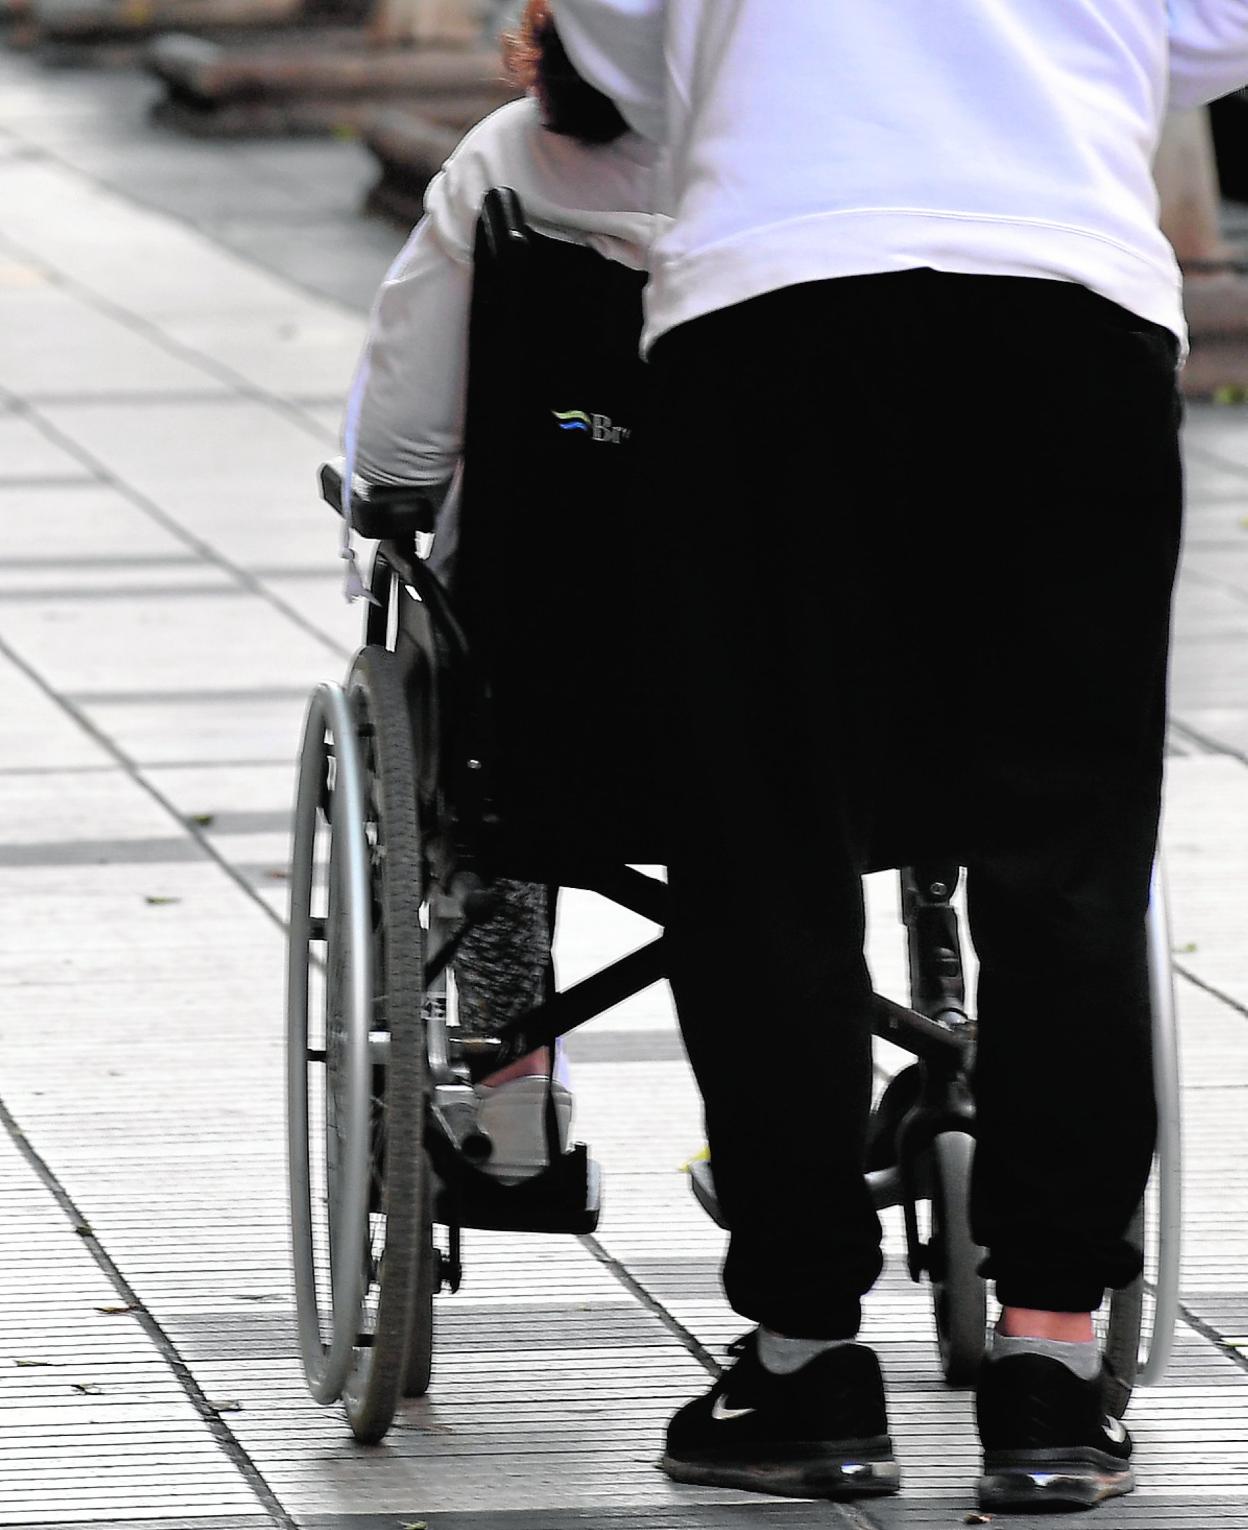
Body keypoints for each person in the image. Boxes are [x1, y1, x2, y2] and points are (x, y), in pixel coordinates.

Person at [551, 0, 1248, 1512]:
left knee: (764, 835)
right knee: (1067, 842)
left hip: (776, 301)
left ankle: (806, 1355)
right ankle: (1052, 1363)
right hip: (1072, 300)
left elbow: (608, 53)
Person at [342, 0, 664, 1183]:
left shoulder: (501, 164)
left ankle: (514, 1081)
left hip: (557, 667)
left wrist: (380, 494)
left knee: (483, 716)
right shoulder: (810, 182)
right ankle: (797, 1105)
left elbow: (407, 448)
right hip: (799, 684)